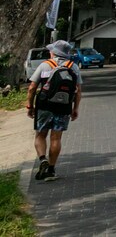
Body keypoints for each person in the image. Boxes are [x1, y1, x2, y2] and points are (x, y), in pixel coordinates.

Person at [26, 40, 82, 182]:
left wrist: (30, 106)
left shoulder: (45, 65)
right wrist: (75, 108)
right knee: (56, 138)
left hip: (44, 105)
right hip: (64, 106)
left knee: (40, 135)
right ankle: (51, 170)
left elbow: (32, 88)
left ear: (54, 52)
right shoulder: (73, 67)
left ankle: (42, 159)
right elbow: (78, 91)